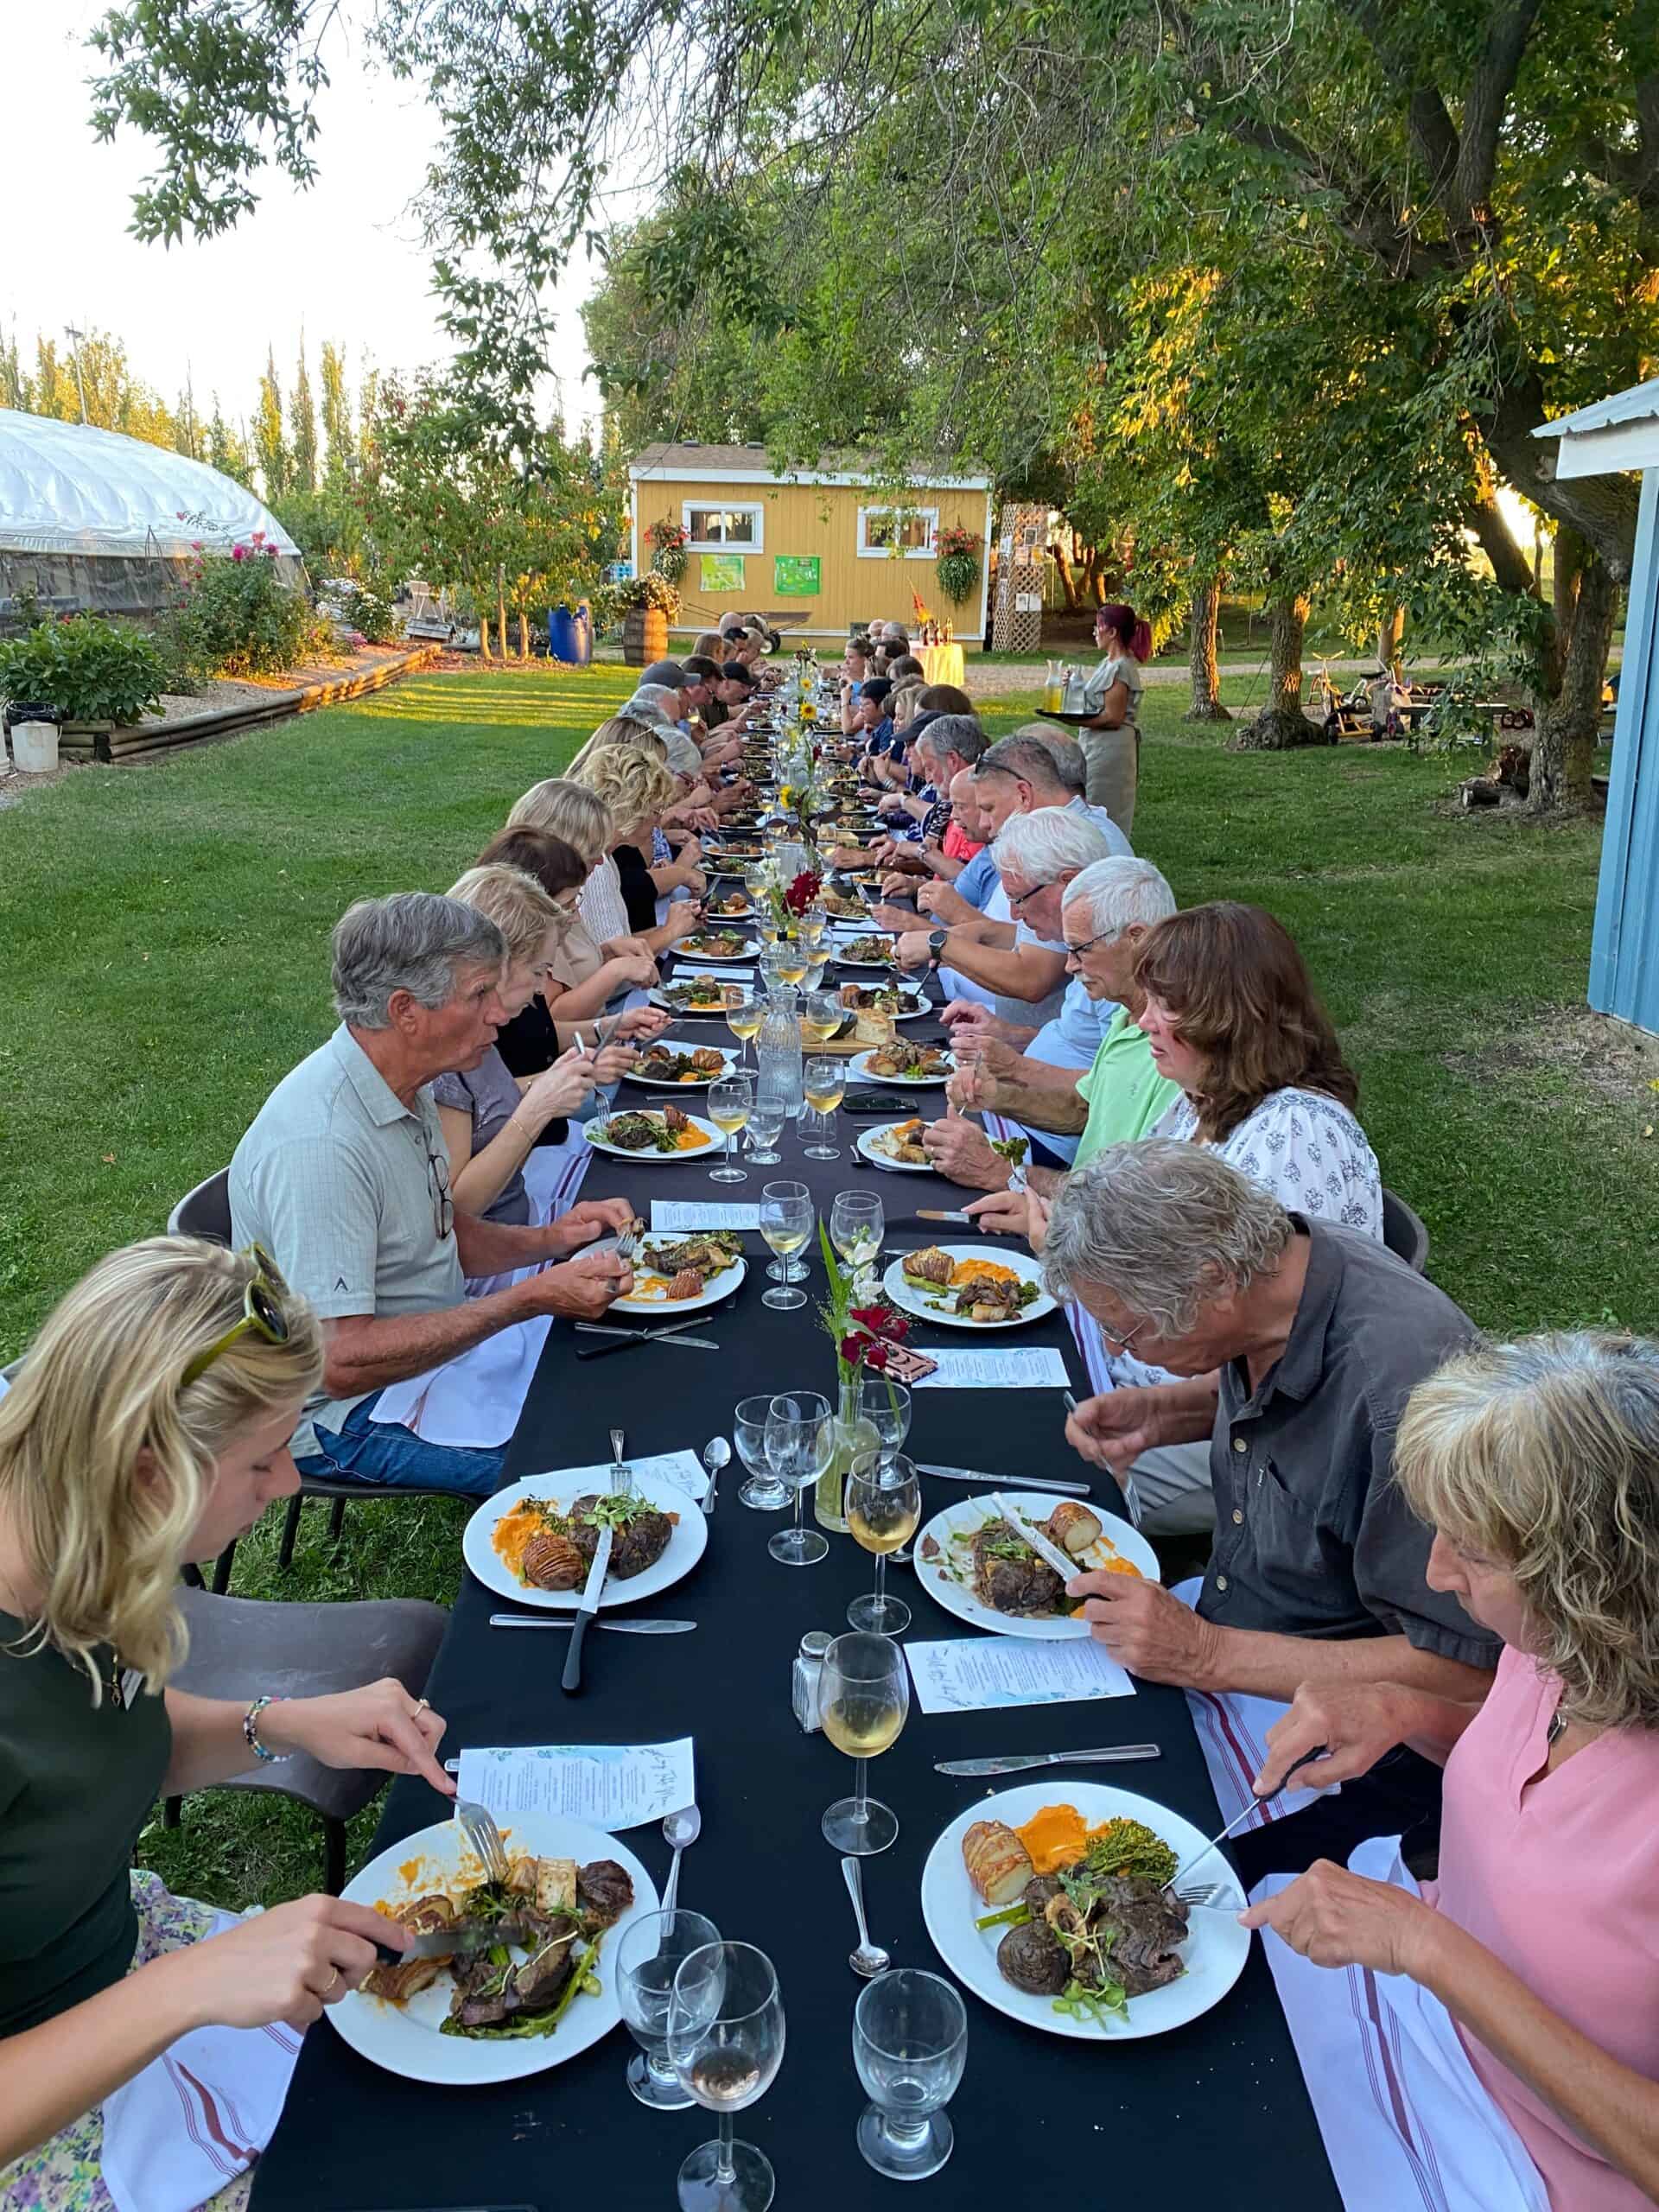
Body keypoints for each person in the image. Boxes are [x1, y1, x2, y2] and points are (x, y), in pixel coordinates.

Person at [0, 1239, 440, 2198]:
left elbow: (97, 1754)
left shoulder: (73, 1531)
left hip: (123, 1957)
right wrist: (189, 1987)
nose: (287, 1484)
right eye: (262, 1460)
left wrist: (281, 1723)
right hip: (45, 2094)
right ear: (153, 1473)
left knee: (434, 2046)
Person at [1243, 1332, 1659, 2212]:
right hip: (1412, 2028)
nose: (1436, 1573)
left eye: (1470, 1552)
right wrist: (1409, 1715)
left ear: (1593, 1577)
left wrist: (1430, 1949)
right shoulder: (1560, 1646)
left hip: (1533, 2167)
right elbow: (1539, 1792)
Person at [1040, 1143, 1496, 1872]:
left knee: (1107, 1885)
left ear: (1213, 1283)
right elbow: (1290, 1418)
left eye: (1129, 1332)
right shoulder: (1277, 1266)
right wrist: (1169, 1412)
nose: (1122, 1348)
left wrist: (1206, 1655)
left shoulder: (1404, 1396)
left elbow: (1470, 1666)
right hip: (1233, 1630)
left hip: (1350, 1748)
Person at [229, 893, 635, 1495]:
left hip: (432, 1356)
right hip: (350, 1412)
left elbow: (438, 1228)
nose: (500, 1013)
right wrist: (525, 1301)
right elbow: (341, 1363)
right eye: (477, 995)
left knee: (623, 1384)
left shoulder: (404, 1082)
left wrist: (553, 1239)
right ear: (405, 1011)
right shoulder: (322, 1145)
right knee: (587, 1468)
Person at [925, 855, 1179, 1192]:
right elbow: (1086, 1112)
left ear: (1136, 937)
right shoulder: (1126, 1013)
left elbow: (1130, 1205)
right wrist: (997, 1096)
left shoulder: (1176, 1048)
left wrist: (1005, 1176)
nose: (1069, 966)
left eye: (1081, 950)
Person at [435, 865, 633, 1225]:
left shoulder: (481, 1032)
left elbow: (488, 1114)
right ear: (500, 964)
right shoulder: (447, 1057)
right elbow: (456, 1211)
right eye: (539, 971)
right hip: (496, 1249)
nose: (541, 990)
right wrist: (538, 1106)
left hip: (520, 1219)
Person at [475, 824, 667, 1078]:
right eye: (567, 905)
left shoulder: (519, 968)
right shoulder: (482, 1006)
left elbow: (541, 1037)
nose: (542, 986)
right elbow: (493, 1101)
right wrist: (576, 1074)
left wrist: (612, 1027)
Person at [502, 779, 659, 1020]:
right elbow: (551, 1019)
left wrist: (606, 951)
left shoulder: (563, 891)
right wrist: (615, 971)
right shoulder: (538, 906)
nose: (600, 861)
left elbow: (574, 972)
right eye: (593, 849)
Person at [567, 744, 703, 958]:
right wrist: (670, 931)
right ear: (632, 809)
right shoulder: (597, 866)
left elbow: (622, 942)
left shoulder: (607, 856)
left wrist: (680, 924)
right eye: (656, 811)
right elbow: (610, 964)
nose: (659, 821)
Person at [1076, 601, 1150, 835]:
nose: (1094, 632)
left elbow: (1113, 716)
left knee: (1104, 810)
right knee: (1088, 805)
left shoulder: (1122, 668)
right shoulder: (1107, 663)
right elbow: (1096, 700)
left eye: (1098, 626)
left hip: (1111, 751)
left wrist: (1075, 721)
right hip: (1095, 745)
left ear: (1112, 632)